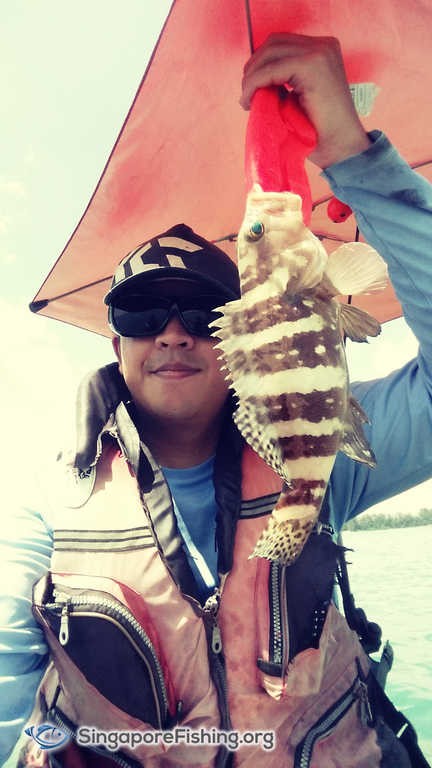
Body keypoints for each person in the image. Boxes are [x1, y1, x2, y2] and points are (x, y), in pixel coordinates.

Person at [1, 33, 432, 768]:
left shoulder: (320, 454)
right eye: (143, 314)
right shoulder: (44, 502)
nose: (172, 333)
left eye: (202, 314)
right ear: (116, 343)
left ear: (245, 335)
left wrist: (351, 152)